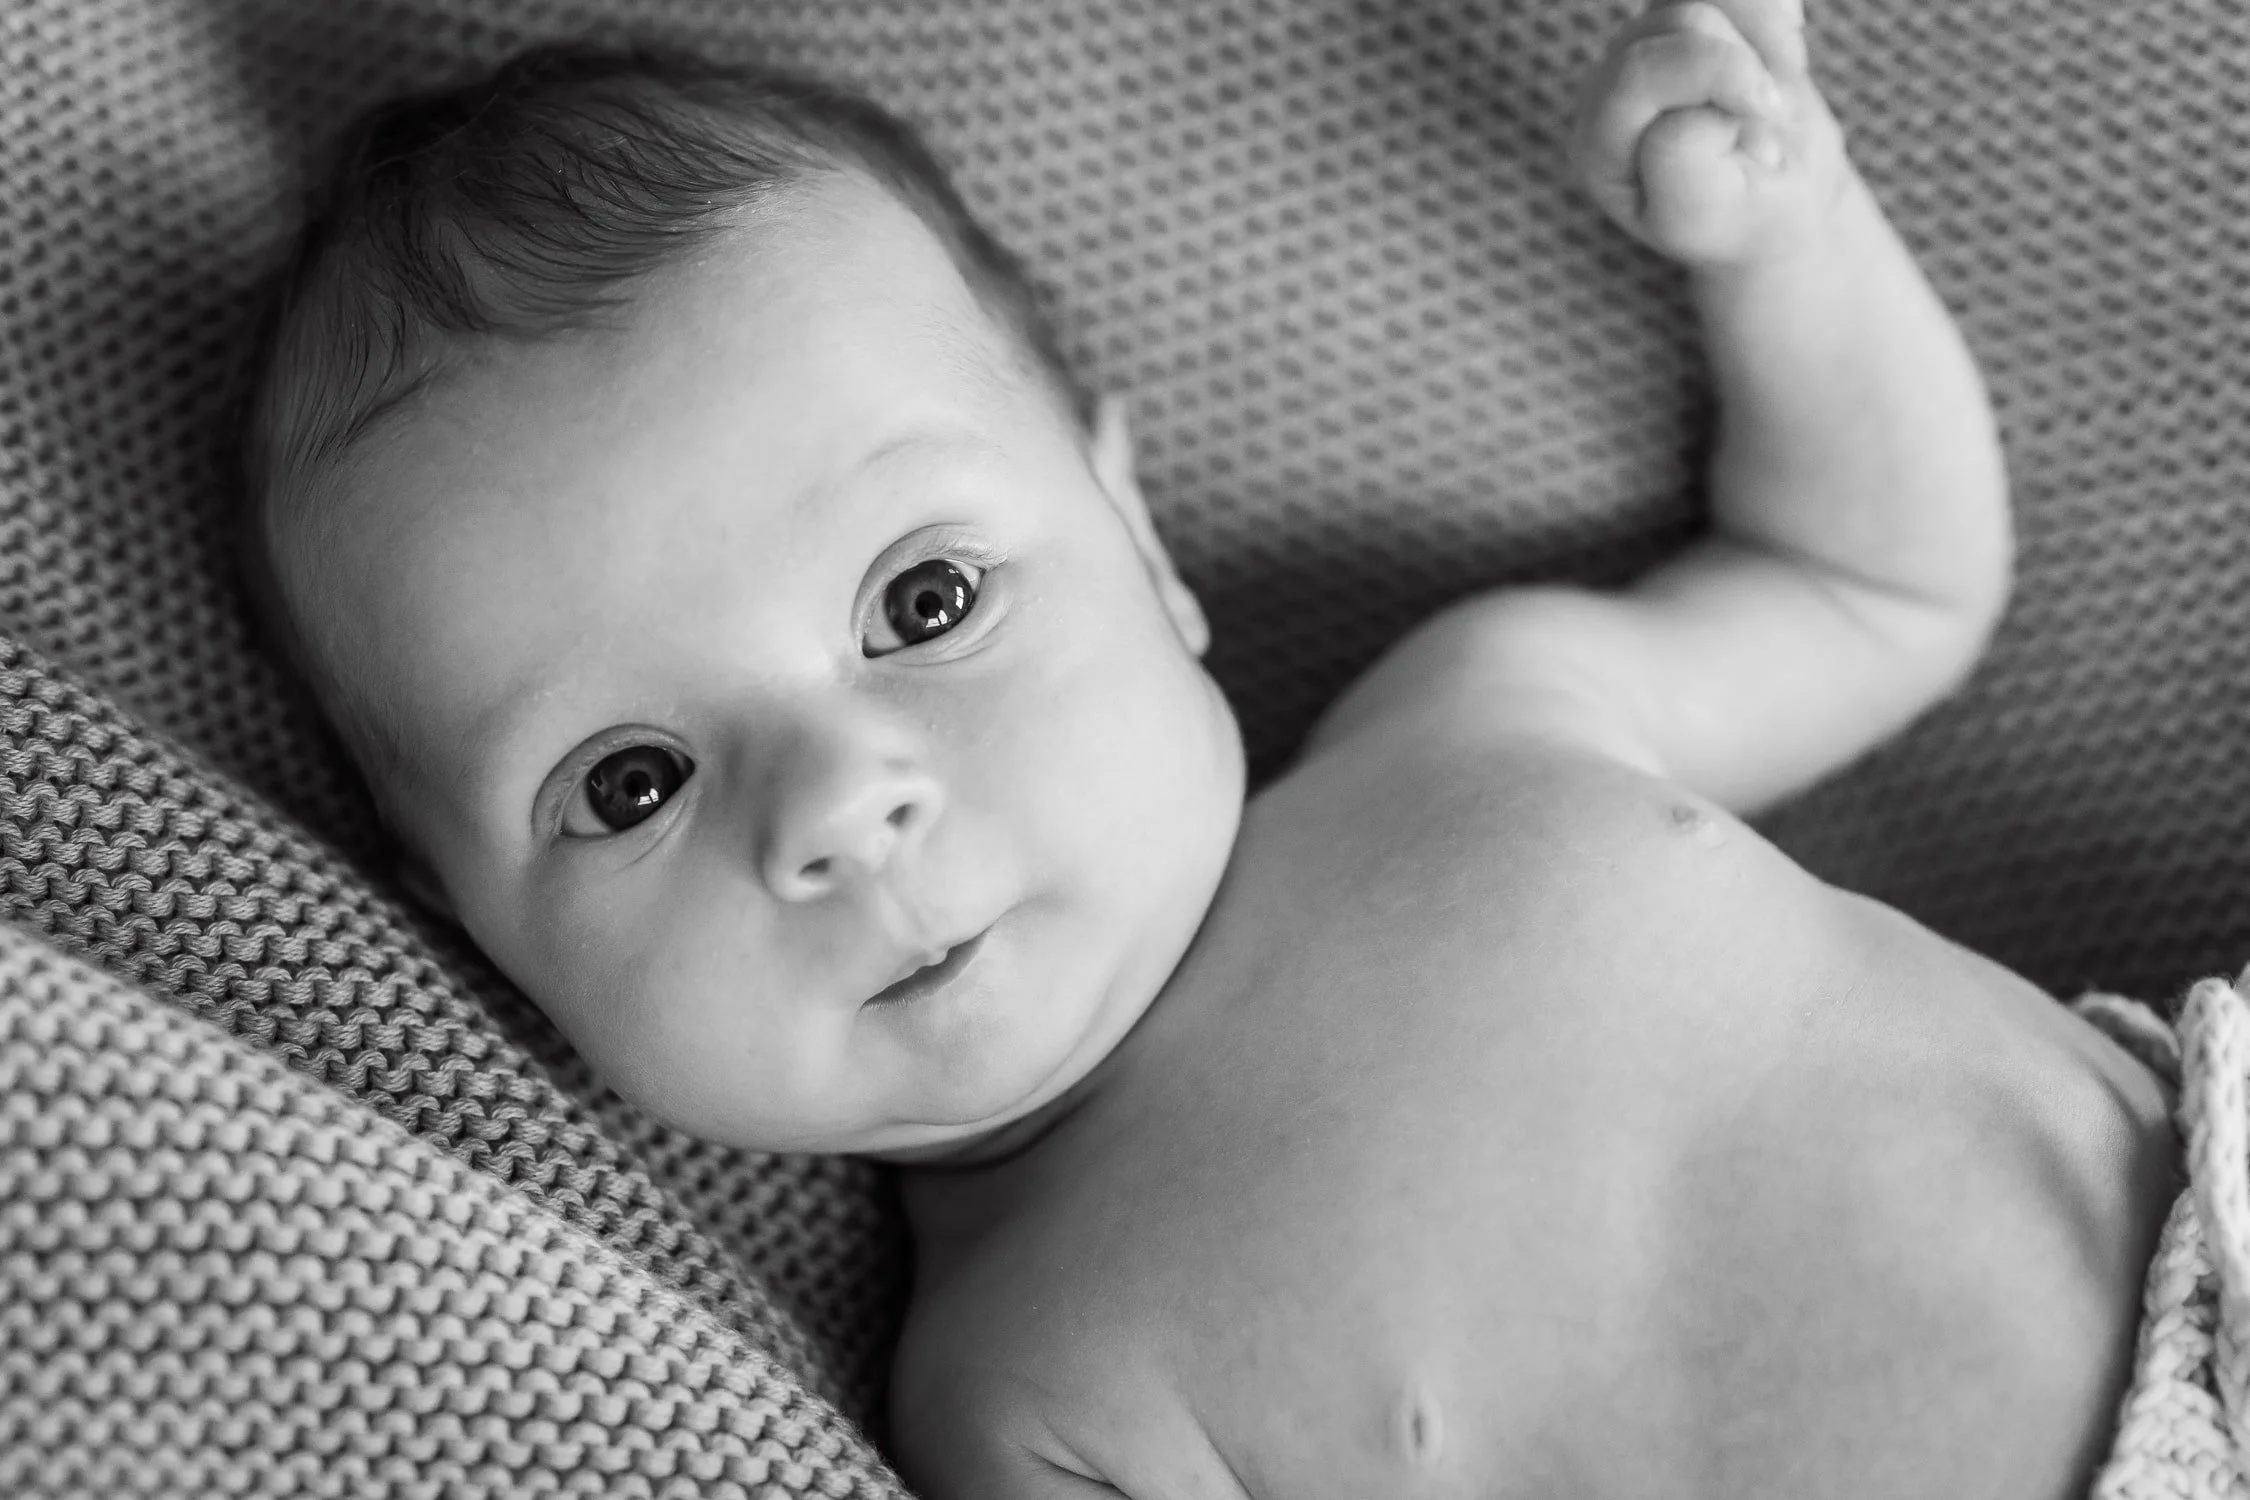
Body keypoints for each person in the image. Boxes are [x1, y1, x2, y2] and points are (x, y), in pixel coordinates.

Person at [238, 1, 2182, 1494]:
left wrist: (1785, 238)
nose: (841, 806)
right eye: (627, 783)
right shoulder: (1027, 1399)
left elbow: (1869, 579)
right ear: (483, 943)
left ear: (1140, 540)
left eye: (925, 603)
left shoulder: (1474, 723)